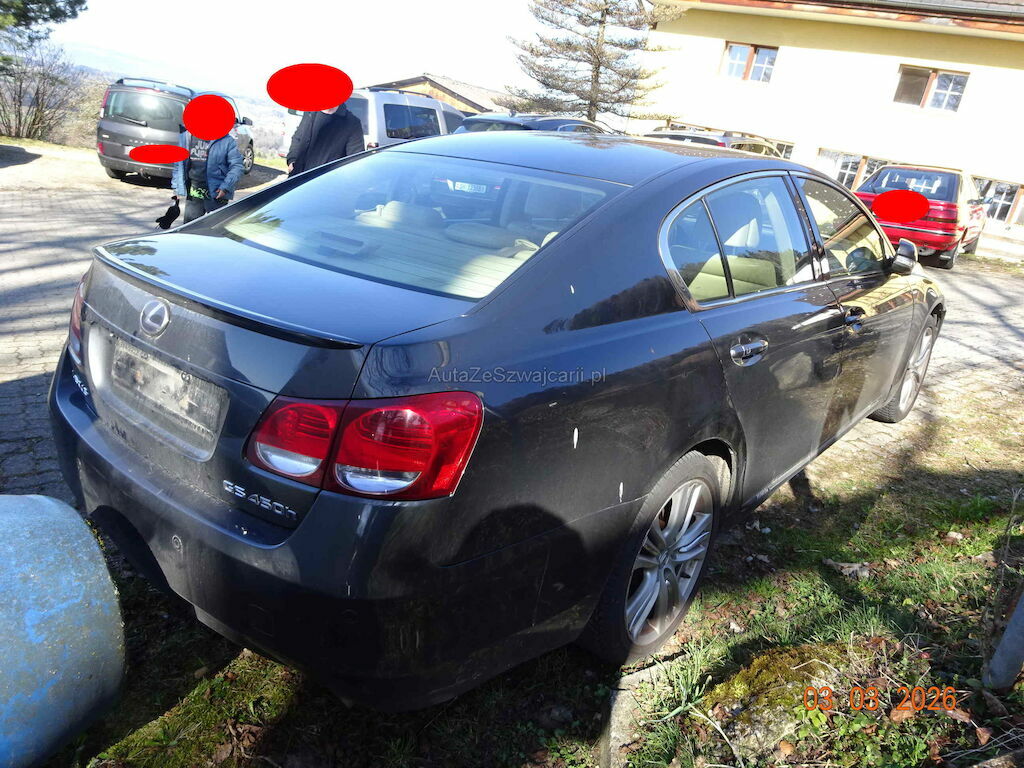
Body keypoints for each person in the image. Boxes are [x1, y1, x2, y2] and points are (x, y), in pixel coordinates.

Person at [172, 125, 245, 223]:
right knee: (191, 229)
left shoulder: (227, 140)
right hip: (194, 193)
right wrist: (177, 188)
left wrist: (226, 187)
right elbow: (179, 164)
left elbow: (237, 166)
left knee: (214, 229)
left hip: (217, 194)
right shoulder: (186, 137)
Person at [286, 103, 364, 176]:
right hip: (297, 179)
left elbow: (355, 161)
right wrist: (292, 160)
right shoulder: (310, 112)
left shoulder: (352, 123)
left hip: (325, 181)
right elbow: (297, 138)